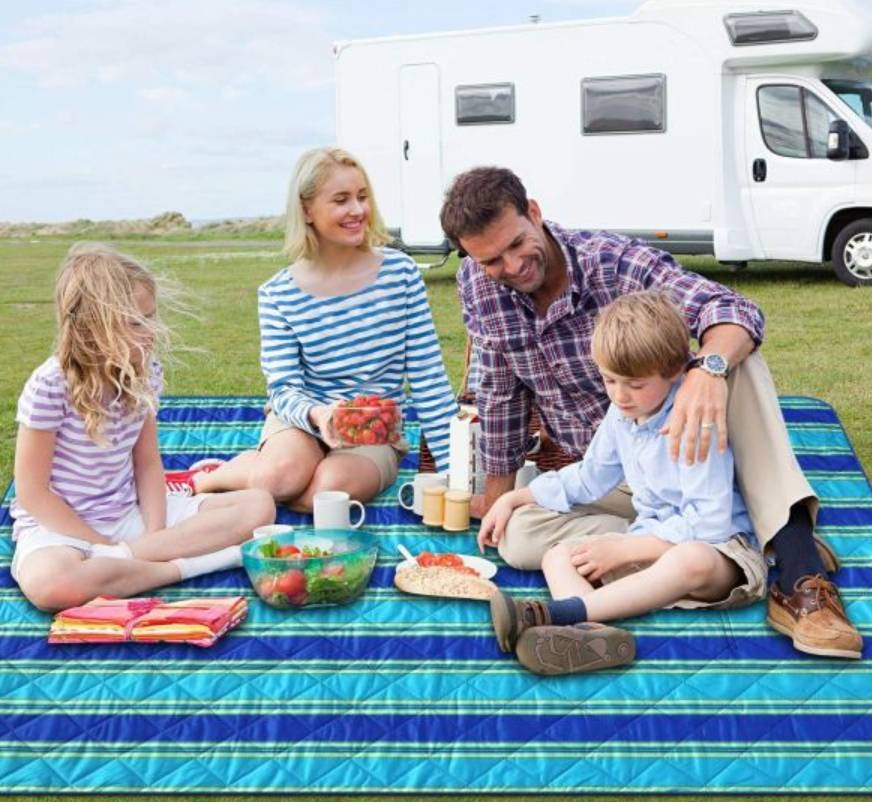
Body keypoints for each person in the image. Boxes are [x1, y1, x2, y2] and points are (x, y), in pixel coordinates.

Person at [440, 165, 862, 660]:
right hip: (615, 477)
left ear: (534, 213)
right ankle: (724, 548)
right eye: (491, 259)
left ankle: (794, 560)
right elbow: (499, 393)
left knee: (736, 360)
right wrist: (502, 499)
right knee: (517, 537)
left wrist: (706, 370)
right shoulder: (478, 282)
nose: (509, 267)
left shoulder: (612, 262)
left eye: (516, 245)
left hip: (685, 448)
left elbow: (734, 309)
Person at [480, 293, 771, 675]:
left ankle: (556, 613)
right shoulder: (621, 415)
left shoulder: (692, 421)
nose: (619, 395)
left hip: (718, 553)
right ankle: (593, 637)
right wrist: (518, 496)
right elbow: (589, 477)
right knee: (559, 556)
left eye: (634, 384)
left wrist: (628, 548)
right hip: (650, 542)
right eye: (609, 380)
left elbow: (711, 523)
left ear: (675, 371)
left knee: (691, 558)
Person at [184, 147, 457, 508]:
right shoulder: (278, 293)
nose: (357, 210)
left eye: (362, 197)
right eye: (341, 200)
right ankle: (213, 478)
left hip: (373, 434)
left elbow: (429, 378)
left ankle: (270, 478)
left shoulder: (400, 274)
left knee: (325, 494)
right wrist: (318, 415)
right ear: (307, 210)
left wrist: (455, 471)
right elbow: (283, 389)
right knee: (277, 480)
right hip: (304, 420)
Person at [10, 243, 276, 613]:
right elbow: (32, 491)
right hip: (62, 527)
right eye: (136, 322)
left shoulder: (144, 370)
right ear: (92, 327)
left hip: (128, 515)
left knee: (258, 506)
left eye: (151, 316)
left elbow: (148, 464)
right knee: (50, 586)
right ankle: (187, 566)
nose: (151, 332)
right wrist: (96, 543)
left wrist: (154, 534)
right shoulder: (50, 384)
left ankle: (132, 563)